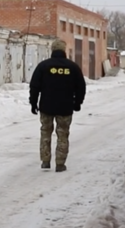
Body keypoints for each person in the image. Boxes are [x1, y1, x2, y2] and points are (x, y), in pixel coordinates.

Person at [28, 39, 87, 172]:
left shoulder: (43, 66)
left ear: (52, 50)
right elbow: (81, 87)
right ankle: (60, 163)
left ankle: (45, 161)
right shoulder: (72, 67)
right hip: (65, 107)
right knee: (63, 134)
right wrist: (77, 102)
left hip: (46, 107)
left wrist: (33, 102)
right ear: (64, 50)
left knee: (45, 132)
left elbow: (34, 86)